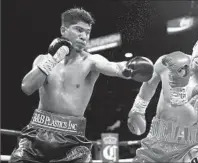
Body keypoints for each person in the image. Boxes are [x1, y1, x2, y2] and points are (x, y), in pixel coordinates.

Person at [9, 7, 153, 163]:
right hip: (37, 133)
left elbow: (115, 67)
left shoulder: (91, 61)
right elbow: (27, 87)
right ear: (63, 30)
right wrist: (53, 59)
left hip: (72, 139)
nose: (84, 36)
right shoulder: (43, 59)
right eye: (79, 30)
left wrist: (129, 69)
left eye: (87, 32)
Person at [128, 30, 198, 162]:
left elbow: (188, 120)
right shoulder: (168, 61)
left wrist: (178, 87)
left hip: (188, 145)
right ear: (195, 45)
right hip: (155, 142)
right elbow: (149, 85)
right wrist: (138, 109)